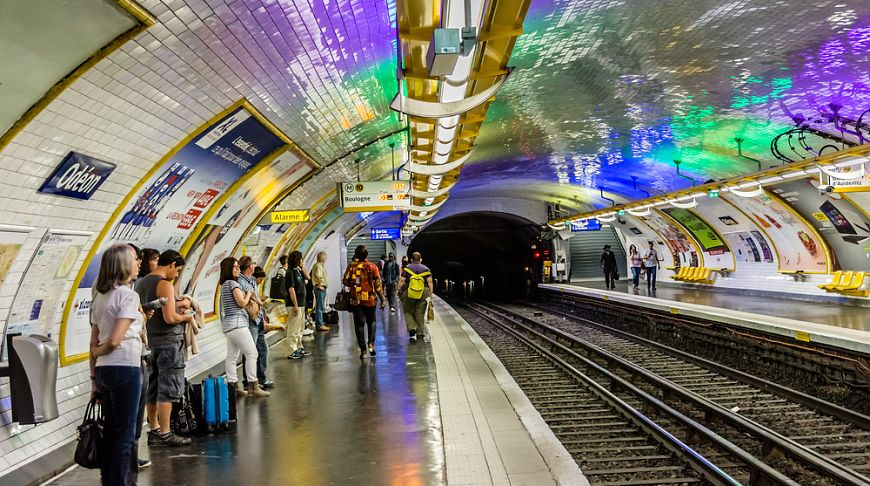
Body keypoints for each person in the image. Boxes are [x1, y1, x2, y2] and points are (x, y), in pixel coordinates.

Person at [89, 243, 144, 485]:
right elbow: (113, 341)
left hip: (103, 371)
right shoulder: (128, 295)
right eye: (134, 259)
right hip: (126, 368)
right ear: (122, 265)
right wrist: (101, 349)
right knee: (124, 435)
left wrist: (93, 378)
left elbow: (93, 343)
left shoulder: (100, 298)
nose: (138, 263)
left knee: (111, 433)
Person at [135, 250, 193, 447]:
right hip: (169, 343)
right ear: (172, 264)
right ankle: (166, 432)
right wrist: (187, 316)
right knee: (168, 388)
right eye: (177, 270)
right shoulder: (164, 285)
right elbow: (170, 318)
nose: (176, 275)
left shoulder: (140, 283)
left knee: (152, 387)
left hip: (150, 343)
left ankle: (153, 429)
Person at [218, 257, 269, 397]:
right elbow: (241, 303)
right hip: (238, 324)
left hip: (228, 326)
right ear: (229, 269)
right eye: (235, 267)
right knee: (252, 353)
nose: (238, 270)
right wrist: (248, 294)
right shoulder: (233, 284)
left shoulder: (224, 285)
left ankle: (232, 386)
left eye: (238, 267)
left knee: (232, 356)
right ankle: (253, 386)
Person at [342, 245, 386, 359]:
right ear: (367, 255)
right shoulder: (372, 267)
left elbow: (345, 281)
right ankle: (371, 344)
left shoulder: (351, 267)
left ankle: (363, 351)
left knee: (359, 325)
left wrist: (354, 285)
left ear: (356, 255)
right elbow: (377, 286)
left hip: (356, 300)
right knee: (371, 322)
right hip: (370, 299)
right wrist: (382, 299)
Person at [238, 257, 272, 390]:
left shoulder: (252, 280)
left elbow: (256, 299)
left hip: (258, 319)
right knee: (250, 351)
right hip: (250, 320)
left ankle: (261, 378)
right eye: (253, 264)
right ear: (249, 267)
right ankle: (248, 381)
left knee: (263, 350)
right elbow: (247, 301)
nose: (254, 265)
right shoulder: (240, 282)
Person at [398, 252, 433, 342]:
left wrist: (398, 290)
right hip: (423, 292)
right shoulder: (426, 269)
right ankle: (420, 332)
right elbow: (430, 282)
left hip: (409, 291)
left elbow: (402, 280)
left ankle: (412, 328)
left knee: (408, 311)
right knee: (420, 312)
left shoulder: (407, 268)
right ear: (420, 259)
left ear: (411, 260)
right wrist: (431, 294)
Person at [285, 251, 311, 359]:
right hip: (294, 304)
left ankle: (299, 346)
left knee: (300, 328)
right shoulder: (290, 272)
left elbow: (308, 277)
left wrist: (303, 267)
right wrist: (295, 305)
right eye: (301, 259)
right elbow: (291, 290)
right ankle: (293, 349)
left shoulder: (298, 271)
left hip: (301, 303)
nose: (302, 261)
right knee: (293, 328)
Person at [310, 251, 330, 332]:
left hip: (320, 288)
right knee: (319, 307)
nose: (326, 258)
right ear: (321, 257)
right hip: (319, 289)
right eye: (325, 257)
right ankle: (320, 324)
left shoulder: (319, 265)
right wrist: (320, 285)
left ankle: (320, 322)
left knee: (320, 306)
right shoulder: (318, 266)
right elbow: (318, 276)